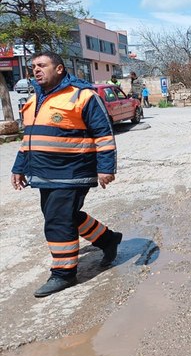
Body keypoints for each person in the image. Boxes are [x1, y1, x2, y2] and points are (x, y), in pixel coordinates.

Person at [11, 51, 122, 298]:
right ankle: (108, 240)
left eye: (42, 65)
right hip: (43, 172)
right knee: (66, 216)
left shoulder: (82, 96)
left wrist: (106, 168)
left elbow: (103, 134)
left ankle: (63, 273)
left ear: (59, 69)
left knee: (57, 221)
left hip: (72, 171)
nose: (35, 70)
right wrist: (19, 167)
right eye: (33, 66)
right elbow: (28, 139)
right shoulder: (35, 98)